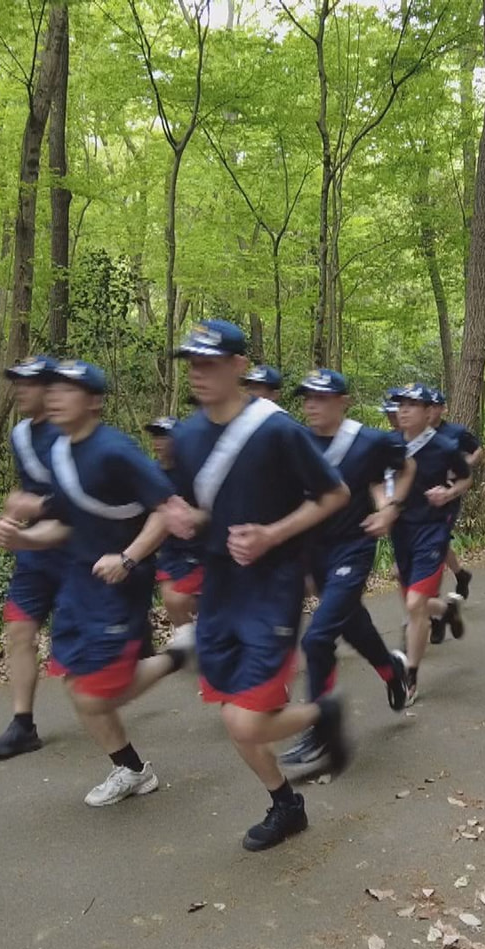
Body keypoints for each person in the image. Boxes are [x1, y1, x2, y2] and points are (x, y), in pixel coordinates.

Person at [166, 320, 352, 852]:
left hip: (272, 589)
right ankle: (286, 804)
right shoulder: (185, 436)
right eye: (192, 364)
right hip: (220, 592)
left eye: (209, 363)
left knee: (245, 721)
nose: (198, 374)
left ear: (239, 367)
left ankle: (324, 712)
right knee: (234, 719)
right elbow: (191, 508)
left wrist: (272, 533)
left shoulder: (276, 430)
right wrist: (180, 519)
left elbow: (332, 495)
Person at [0, 360, 189, 806]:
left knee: (97, 692)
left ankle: (183, 654)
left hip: (120, 580)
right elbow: (62, 525)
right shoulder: (58, 453)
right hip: (79, 579)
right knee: (75, 683)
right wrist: (19, 536)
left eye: (68, 390)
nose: (54, 396)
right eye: (52, 388)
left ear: (92, 401)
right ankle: (131, 769)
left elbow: (166, 510)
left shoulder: (114, 450)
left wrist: (129, 558)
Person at [279, 369, 415, 767]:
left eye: (321, 398)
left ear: (343, 401)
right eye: (306, 398)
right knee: (355, 626)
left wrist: (390, 508)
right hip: (314, 555)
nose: (311, 405)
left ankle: (318, 730)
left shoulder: (369, 440)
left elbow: (406, 467)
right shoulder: (296, 441)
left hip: (353, 549)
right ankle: (392, 672)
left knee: (317, 638)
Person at [0, 355, 62, 760]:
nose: (20, 391)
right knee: (19, 632)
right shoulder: (20, 436)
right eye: (18, 383)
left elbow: (82, 499)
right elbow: (24, 493)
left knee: (84, 660)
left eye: (29, 383)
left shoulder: (72, 434)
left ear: (50, 388)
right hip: (35, 553)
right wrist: (5, 523)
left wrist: (33, 506)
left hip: (75, 548)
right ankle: (22, 724)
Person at [389, 383, 471, 703]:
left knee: (413, 606)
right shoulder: (389, 445)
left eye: (412, 404)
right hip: (401, 532)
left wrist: (448, 493)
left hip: (432, 531)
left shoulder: (445, 446)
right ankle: (448, 610)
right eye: (400, 404)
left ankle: (410, 676)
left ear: (428, 411)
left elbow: (466, 478)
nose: (404, 410)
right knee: (415, 600)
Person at [146, 416, 202, 634]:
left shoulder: (192, 471)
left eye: (164, 436)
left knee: (185, 600)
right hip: (169, 548)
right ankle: (187, 641)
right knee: (171, 600)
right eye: (155, 436)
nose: (159, 442)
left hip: (198, 547)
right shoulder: (149, 472)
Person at [428, 389, 481, 600]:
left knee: (437, 541)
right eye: (426, 405)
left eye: (434, 406)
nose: (429, 411)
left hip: (450, 493)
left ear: (443, 409)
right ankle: (461, 575)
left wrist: (465, 464)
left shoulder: (456, 432)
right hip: (423, 495)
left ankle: (429, 599)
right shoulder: (414, 433)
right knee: (440, 542)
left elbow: (477, 450)